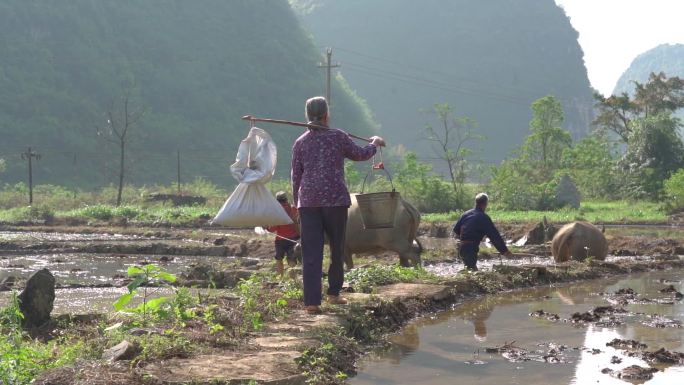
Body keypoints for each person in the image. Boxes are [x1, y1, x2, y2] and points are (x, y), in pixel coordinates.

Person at [292, 96, 385, 314]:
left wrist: (298, 203)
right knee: (337, 247)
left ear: (308, 116)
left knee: (311, 252)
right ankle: (333, 294)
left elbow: (296, 176)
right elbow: (360, 155)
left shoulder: (300, 142)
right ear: (326, 115)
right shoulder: (337, 137)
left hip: (308, 202)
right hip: (335, 201)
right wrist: (375, 143)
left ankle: (312, 302)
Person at [452, 193, 512, 271]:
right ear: (485, 204)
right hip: (471, 248)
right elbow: (494, 236)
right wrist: (504, 251)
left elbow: (456, 230)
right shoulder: (484, 218)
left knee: (469, 267)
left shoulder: (465, 214)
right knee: (471, 270)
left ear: (476, 202)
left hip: (461, 247)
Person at [266, 191, 300, 276]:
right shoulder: (293, 209)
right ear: (286, 199)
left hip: (280, 240)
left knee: (279, 259)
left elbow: (273, 228)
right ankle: (293, 278)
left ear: (277, 200)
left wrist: (266, 227)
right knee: (292, 259)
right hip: (294, 238)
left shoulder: (276, 211)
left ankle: (281, 278)